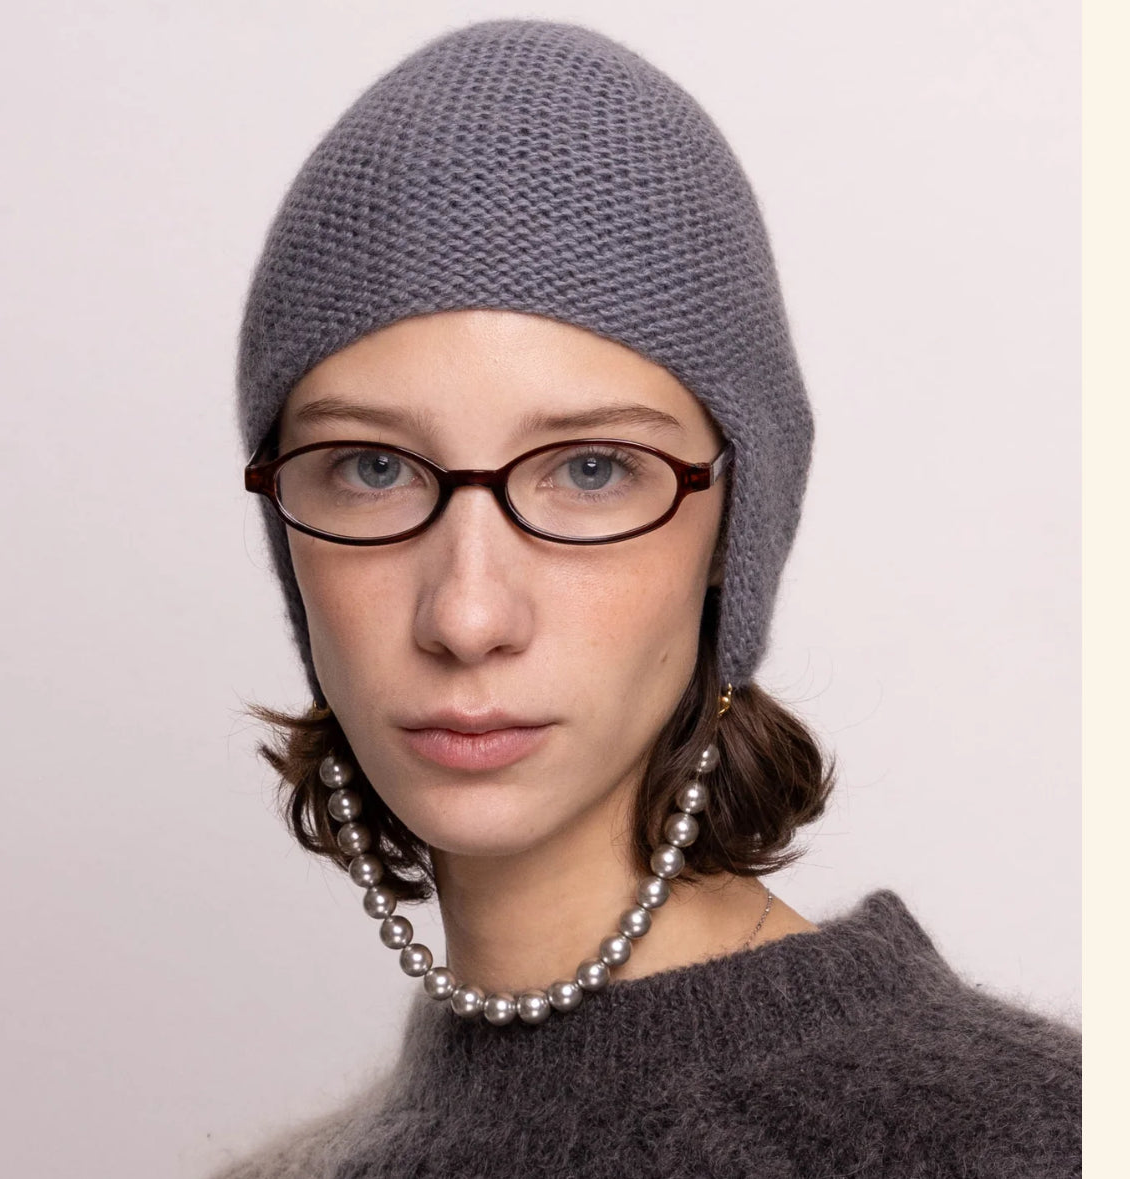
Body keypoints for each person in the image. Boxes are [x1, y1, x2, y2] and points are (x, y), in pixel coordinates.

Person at [213, 18, 1080, 1179]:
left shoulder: (1032, 1142)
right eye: (373, 467)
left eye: (590, 470)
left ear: (736, 529)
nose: (467, 617)